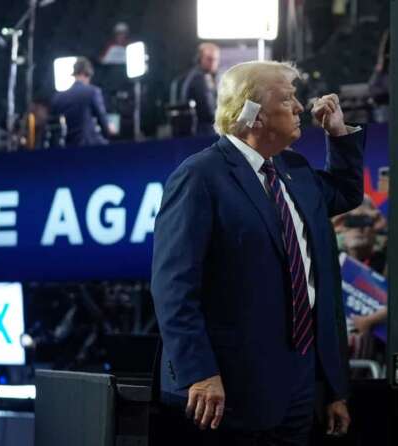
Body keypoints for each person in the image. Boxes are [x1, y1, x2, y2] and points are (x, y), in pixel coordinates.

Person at [151, 60, 364, 444]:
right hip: (229, 390)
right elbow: (173, 288)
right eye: (287, 98)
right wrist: (199, 372)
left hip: (301, 385)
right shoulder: (200, 176)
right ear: (253, 114)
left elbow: (347, 192)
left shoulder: (294, 169)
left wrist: (338, 134)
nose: (301, 107)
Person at [51, 57, 115, 147]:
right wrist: (110, 129)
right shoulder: (92, 92)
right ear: (86, 73)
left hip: (69, 146)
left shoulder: (59, 97)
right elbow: (103, 120)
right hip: (90, 145)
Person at [179, 43, 220, 135]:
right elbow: (209, 111)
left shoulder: (205, 76)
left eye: (215, 59)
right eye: (209, 59)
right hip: (203, 132)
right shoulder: (199, 79)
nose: (213, 63)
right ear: (199, 59)